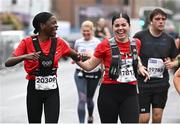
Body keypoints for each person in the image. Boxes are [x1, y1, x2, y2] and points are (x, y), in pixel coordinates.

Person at [4, 12, 81, 123]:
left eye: (57, 23)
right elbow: (8, 62)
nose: (56, 26)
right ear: (42, 25)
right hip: (33, 89)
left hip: (52, 91)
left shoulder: (59, 42)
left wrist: (85, 56)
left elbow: (75, 55)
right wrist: (25, 56)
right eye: (53, 23)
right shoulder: (27, 42)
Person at [75, 13, 149, 123]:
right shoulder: (104, 45)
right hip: (108, 93)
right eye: (117, 25)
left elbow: (135, 56)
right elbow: (89, 66)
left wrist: (140, 66)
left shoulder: (136, 43)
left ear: (129, 26)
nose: (120, 28)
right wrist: (73, 55)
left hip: (130, 94)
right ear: (112, 27)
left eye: (124, 25)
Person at [133, 8, 179, 123]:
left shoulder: (168, 39)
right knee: (143, 119)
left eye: (163, 19)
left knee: (157, 118)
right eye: (157, 19)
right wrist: (139, 65)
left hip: (161, 84)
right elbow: (132, 54)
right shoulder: (140, 36)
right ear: (151, 21)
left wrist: (173, 63)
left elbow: (177, 57)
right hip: (143, 84)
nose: (161, 21)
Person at [73, 20, 101, 123]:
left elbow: (100, 57)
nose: (86, 33)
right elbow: (75, 54)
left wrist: (90, 56)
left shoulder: (97, 42)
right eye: (84, 31)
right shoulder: (78, 42)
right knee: (82, 99)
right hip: (80, 73)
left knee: (89, 99)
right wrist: (75, 59)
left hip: (94, 73)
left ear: (92, 30)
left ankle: (90, 116)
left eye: (88, 31)